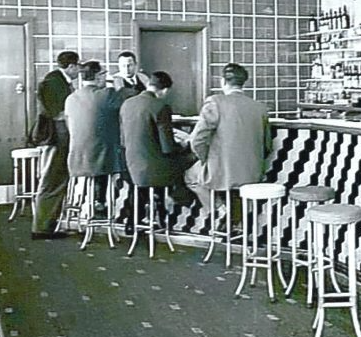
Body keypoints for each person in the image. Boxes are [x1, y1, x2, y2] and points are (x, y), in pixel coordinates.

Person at [185, 63, 272, 226]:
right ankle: (234, 220)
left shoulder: (215, 102)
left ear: (222, 81)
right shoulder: (260, 108)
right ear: (243, 83)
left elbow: (196, 140)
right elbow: (267, 145)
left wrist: (204, 159)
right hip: (253, 172)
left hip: (223, 170)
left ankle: (220, 211)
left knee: (190, 177)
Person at [120, 71, 195, 224]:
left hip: (131, 166)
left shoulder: (127, 104)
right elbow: (168, 148)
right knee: (191, 159)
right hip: (156, 170)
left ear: (149, 84)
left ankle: (145, 212)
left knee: (155, 168)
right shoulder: (161, 106)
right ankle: (180, 203)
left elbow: (124, 139)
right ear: (165, 90)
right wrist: (184, 145)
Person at [64, 61, 131, 214]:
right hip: (103, 159)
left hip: (76, 158)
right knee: (133, 164)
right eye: (104, 73)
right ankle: (121, 210)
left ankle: (89, 202)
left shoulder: (71, 98)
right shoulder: (107, 94)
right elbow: (130, 100)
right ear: (99, 76)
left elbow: (69, 125)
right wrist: (119, 86)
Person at [31, 50, 80, 239]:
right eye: (77, 67)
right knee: (52, 180)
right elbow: (57, 113)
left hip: (55, 137)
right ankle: (42, 227)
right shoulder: (54, 82)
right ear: (71, 66)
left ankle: (47, 225)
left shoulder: (55, 80)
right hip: (55, 137)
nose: (78, 71)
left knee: (54, 180)